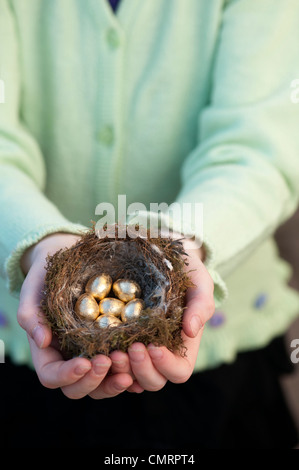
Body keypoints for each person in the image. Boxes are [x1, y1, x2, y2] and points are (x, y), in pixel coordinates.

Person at [0, 0, 299, 448]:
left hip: (223, 363)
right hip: (25, 358)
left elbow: (260, 144)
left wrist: (186, 242)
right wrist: (40, 244)